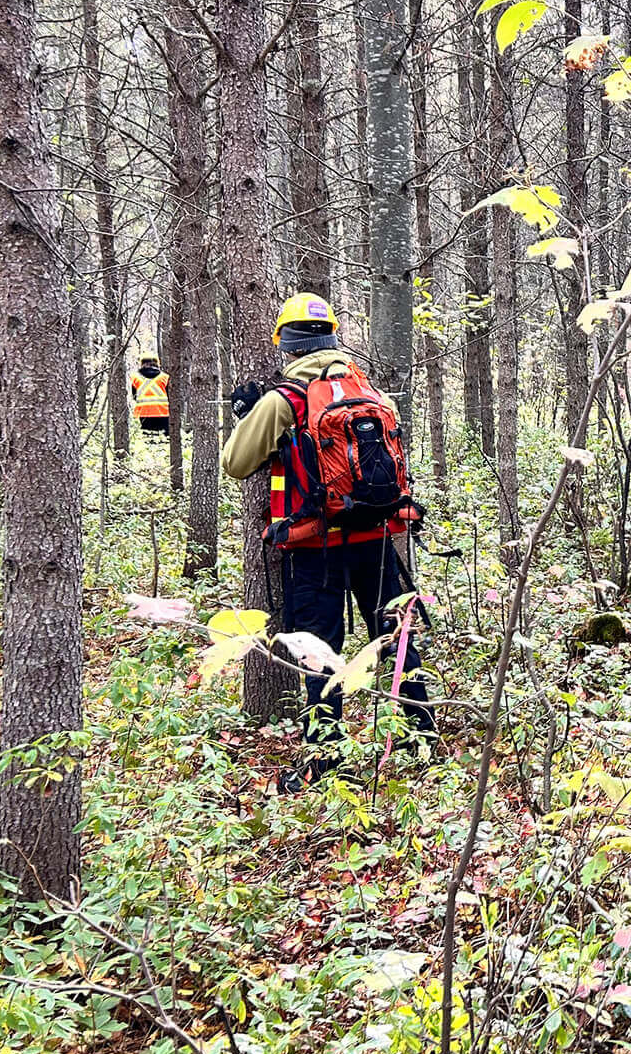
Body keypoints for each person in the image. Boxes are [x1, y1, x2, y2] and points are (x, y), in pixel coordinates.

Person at [221, 294, 436, 792]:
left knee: (319, 649)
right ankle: (420, 738)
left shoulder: (286, 398)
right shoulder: (371, 393)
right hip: (378, 537)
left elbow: (235, 463)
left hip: (314, 545)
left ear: (285, 343)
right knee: (392, 637)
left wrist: (247, 416)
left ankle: (326, 761)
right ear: (334, 336)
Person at [132, 356, 171, 438]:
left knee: (148, 437)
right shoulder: (165, 377)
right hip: (162, 412)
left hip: (144, 412)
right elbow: (169, 395)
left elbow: (134, 396)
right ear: (157, 363)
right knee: (164, 438)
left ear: (142, 363)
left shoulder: (135, 378)